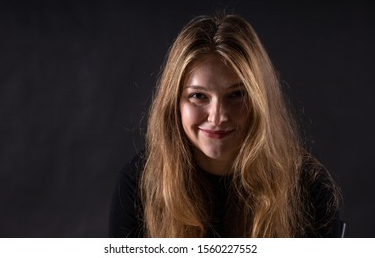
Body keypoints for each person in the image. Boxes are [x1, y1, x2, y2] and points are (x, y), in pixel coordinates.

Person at [109, 12, 343, 238]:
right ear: (174, 104)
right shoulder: (138, 184)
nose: (217, 117)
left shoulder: (310, 185)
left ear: (260, 101)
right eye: (198, 96)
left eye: (237, 94)